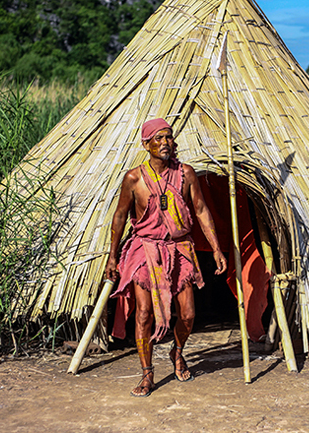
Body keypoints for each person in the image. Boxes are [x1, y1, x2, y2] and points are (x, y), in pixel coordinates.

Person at [105, 118, 227, 397]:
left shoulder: (186, 173)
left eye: (169, 137)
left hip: (179, 249)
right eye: (158, 139)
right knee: (144, 313)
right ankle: (147, 374)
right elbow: (121, 216)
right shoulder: (134, 179)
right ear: (145, 144)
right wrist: (113, 256)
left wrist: (217, 248)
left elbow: (200, 209)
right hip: (144, 250)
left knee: (188, 313)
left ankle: (178, 351)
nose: (165, 143)